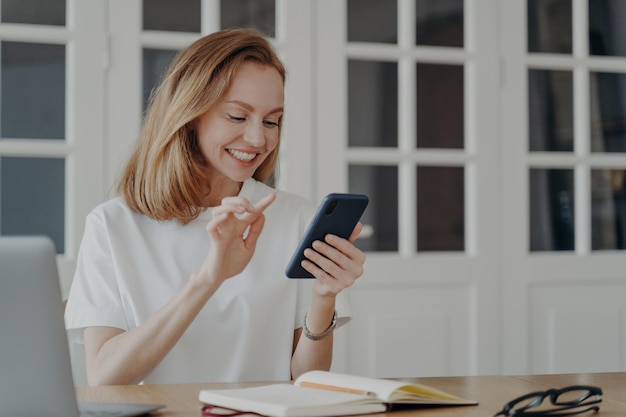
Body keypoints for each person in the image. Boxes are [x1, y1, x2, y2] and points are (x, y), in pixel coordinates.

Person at [64, 28, 365, 386]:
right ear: (190, 114)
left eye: (272, 121)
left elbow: (307, 378)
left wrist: (323, 297)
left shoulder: (295, 218)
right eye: (238, 117)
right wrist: (209, 278)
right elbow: (105, 376)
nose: (259, 139)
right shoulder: (112, 225)